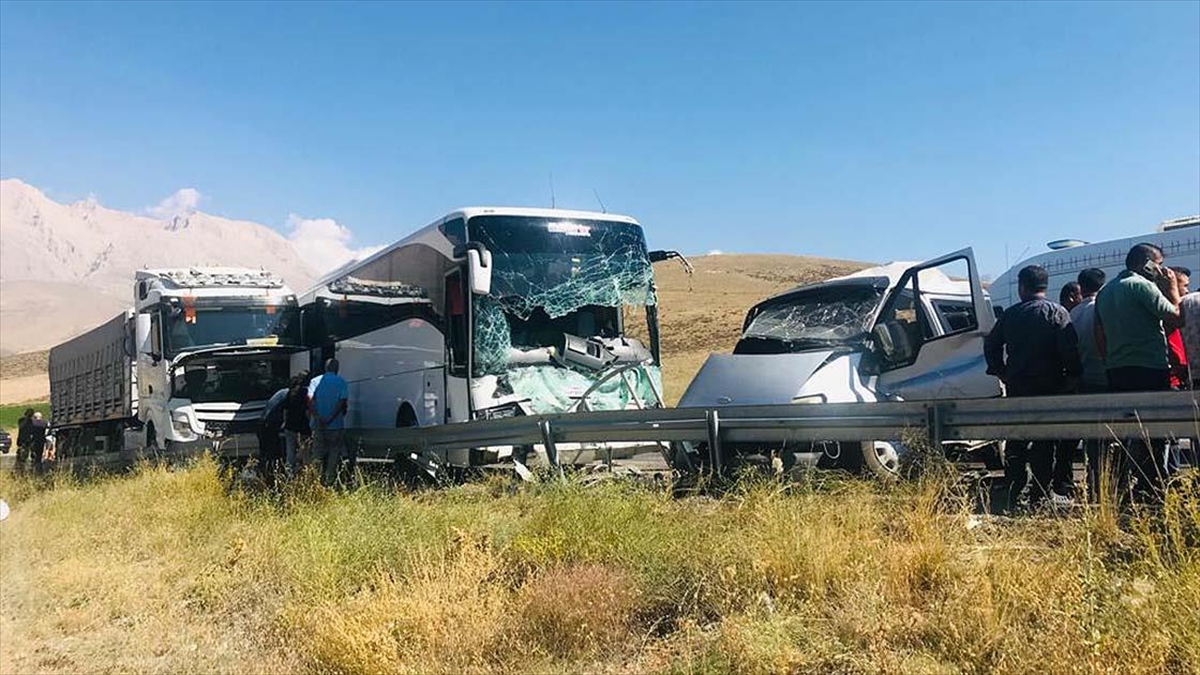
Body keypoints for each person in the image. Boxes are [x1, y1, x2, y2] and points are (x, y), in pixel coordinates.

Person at [984, 265, 1081, 511]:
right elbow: (1070, 349)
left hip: (1018, 385)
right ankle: (1040, 493)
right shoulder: (1057, 313)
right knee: (1044, 441)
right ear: (1045, 287)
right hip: (1051, 386)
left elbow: (991, 345)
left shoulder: (1010, 315)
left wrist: (1002, 372)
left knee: (1017, 436)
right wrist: (1071, 377)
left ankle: (1013, 489)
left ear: (1022, 287)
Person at [1094, 243, 1182, 503]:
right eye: (1159, 263)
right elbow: (1176, 317)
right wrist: (1173, 289)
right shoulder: (1144, 286)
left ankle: (1122, 487)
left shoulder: (1105, 292)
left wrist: (1110, 360)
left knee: (1124, 430)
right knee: (1154, 431)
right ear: (1146, 263)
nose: (1162, 269)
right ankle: (1152, 486)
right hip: (1149, 368)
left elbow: (1099, 334)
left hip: (1117, 369)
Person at [1069, 268, 1109, 500]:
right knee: (1115, 437)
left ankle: (1094, 486)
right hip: (1108, 378)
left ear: (1081, 288)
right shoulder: (1104, 309)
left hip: (1084, 381)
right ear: (1102, 286)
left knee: (1092, 440)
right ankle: (1110, 488)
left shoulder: (1073, 313)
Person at [308, 358, 349, 486]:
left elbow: (309, 399)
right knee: (334, 452)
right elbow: (341, 402)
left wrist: (317, 416)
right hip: (335, 425)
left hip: (318, 424)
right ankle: (329, 481)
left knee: (317, 453)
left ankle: (315, 482)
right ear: (337, 369)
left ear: (325, 368)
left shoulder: (315, 381)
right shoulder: (341, 382)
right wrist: (331, 418)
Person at [1164, 267, 1191, 390]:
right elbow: (1174, 350)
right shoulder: (1170, 314)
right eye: (1184, 286)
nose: (1187, 291)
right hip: (1174, 382)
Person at [257, 384, 289, 486]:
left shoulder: (282, 392)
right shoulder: (289, 396)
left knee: (266, 454)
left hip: (263, 424)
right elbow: (286, 413)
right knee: (275, 454)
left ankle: (264, 479)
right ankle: (273, 480)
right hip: (270, 426)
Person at [283, 371, 312, 477]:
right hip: (303, 427)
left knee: (290, 450)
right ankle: (305, 473)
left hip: (290, 426)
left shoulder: (290, 393)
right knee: (305, 451)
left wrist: (285, 422)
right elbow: (307, 412)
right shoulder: (307, 393)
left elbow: (285, 410)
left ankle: (289, 473)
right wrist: (311, 424)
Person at [14, 408, 34, 474]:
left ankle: (19, 471)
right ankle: (21, 471)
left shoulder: (21, 420)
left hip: (22, 441)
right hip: (26, 442)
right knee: (23, 458)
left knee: (20, 458)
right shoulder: (30, 422)